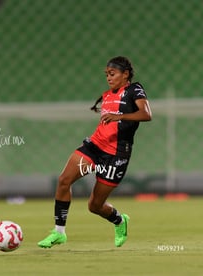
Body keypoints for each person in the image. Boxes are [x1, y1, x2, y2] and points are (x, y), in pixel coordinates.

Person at [37, 56, 152, 248]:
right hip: (95, 146)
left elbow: (146, 114)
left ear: (126, 74)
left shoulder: (134, 90)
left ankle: (120, 221)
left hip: (116, 155)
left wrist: (119, 116)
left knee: (95, 206)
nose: (108, 77)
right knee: (64, 180)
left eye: (112, 73)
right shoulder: (107, 95)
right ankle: (59, 232)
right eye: (106, 74)